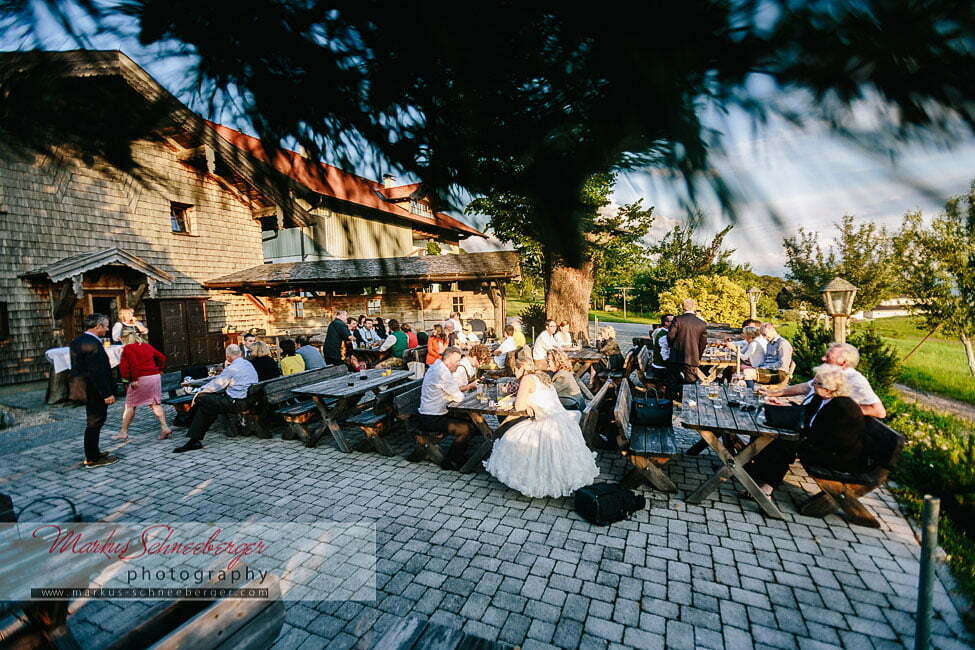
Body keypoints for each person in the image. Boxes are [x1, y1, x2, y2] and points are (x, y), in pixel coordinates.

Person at [483, 354, 599, 497]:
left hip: (546, 422)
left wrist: (524, 404)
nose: (514, 373)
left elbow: (519, 405)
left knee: (512, 437)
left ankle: (530, 479)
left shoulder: (526, 379)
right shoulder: (541, 376)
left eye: (516, 370)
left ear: (522, 369)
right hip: (562, 420)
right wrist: (529, 405)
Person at [744, 364, 867, 498]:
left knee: (786, 444)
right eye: (814, 381)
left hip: (838, 457)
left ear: (830, 389)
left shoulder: (842, 407)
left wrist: (801, 438)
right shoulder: (821, 397)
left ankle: (767, 489)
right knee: (773, 434)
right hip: (824, 445)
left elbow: (834, 439)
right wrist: (783, 406)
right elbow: (805, 414)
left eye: (817, 383)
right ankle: (758, 468)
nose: (813, 385)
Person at [763, 342, 886, 418]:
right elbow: (805, 387)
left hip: (818, 429)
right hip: (803, 416)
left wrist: (839, 412)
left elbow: (879, 412)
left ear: (843, 362)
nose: (823, 358)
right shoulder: (828, 374)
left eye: (828, 357)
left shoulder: (856, 380)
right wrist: (773, 394)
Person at [174, 345, 259, 453]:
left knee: (202, 398)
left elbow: (216, 385)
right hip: (248, 400)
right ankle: (193, 435)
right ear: (240, 354)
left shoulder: (232, 368)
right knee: (207, 406)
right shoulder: (248, 364)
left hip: (236, 402)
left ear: (228, 356)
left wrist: (200, 391)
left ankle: (188, 422)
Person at [410, 347, 475, 469]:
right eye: (457, 362)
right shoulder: (442, 373)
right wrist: (455, 393)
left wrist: (453, 393)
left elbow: (452, 389)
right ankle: (450, 461)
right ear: (449, 361)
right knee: (465, 429)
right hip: (430, 418)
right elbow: (458, 397)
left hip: (432, 413)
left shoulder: (438, 366)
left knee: (469, 419)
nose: (458, 365)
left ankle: (459, 455)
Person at [70, 313, 120, 468]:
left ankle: (94, 452)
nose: (106, 329)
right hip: (94, 389)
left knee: (94, 421)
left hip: (84, 387)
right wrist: (106, 393)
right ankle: (92, 458)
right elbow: (97, 372)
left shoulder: (77, 340)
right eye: (105, 326)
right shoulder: (92, 344)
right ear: (98, 326)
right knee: (95, 421)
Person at [116, 331, 170, 440]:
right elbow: (162, 358)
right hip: (154, 376)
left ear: (124, 339)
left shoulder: (127, 349)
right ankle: (165, 428)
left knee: (130, 405)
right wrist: (159, 369)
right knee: (155, 403)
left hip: (141, 378)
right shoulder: (147, 346)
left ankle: (123, 431)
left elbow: (130, 366)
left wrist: (132, 379)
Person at [665, 298, 708, 399]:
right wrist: (698, 355)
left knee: (672, 381)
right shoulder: (701, 323)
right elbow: (703, 343)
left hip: (676, 355)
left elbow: (670, 336)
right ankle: (690, 401)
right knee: (690, 381)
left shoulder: (678, 319)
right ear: (694, 307)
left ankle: (670, 402)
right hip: (692, 356)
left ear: (682, 307)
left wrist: (673, 347)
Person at [650, 314, 674, 379]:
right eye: (673, 321)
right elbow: (665, 357)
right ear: (666, 323)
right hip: (660, 368)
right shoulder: (664, 336)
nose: (675, 323)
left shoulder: (659, 331)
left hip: (657, 364)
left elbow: (653, 335)